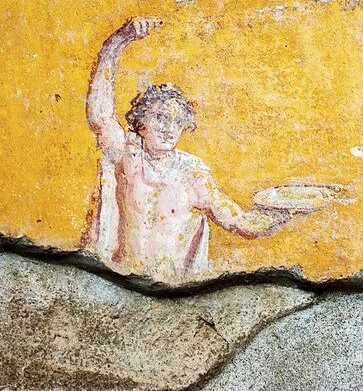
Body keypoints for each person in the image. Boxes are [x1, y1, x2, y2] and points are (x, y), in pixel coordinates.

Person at [85, 17, 288, 281]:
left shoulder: (192, 176)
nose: (169, 128)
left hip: (172, 290)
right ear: (141, 123)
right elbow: (101, 115)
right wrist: (118, 41)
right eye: (160, 117)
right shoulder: (128, 159)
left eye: (178, 122)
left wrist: (285, 211)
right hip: (122, 283)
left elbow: (241, 222)